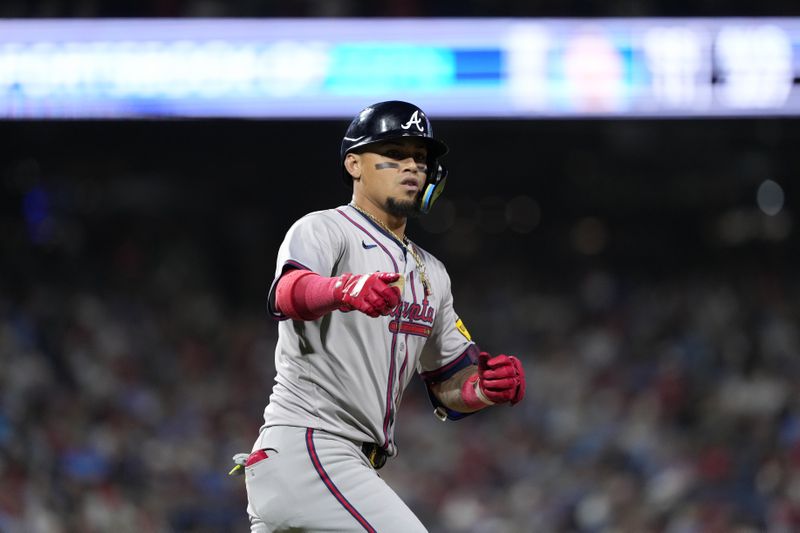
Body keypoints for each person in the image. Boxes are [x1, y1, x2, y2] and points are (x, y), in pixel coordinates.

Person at [240, 100, 526, 532]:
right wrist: (343, 288)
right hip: (312, 447)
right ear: (354, 164)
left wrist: (485, 389)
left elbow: (447, 383)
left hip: (335, 464)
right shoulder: (324, 228)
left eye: (421, 158)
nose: (411, 166)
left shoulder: (433, 274)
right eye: (393, 154)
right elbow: (286, 293)